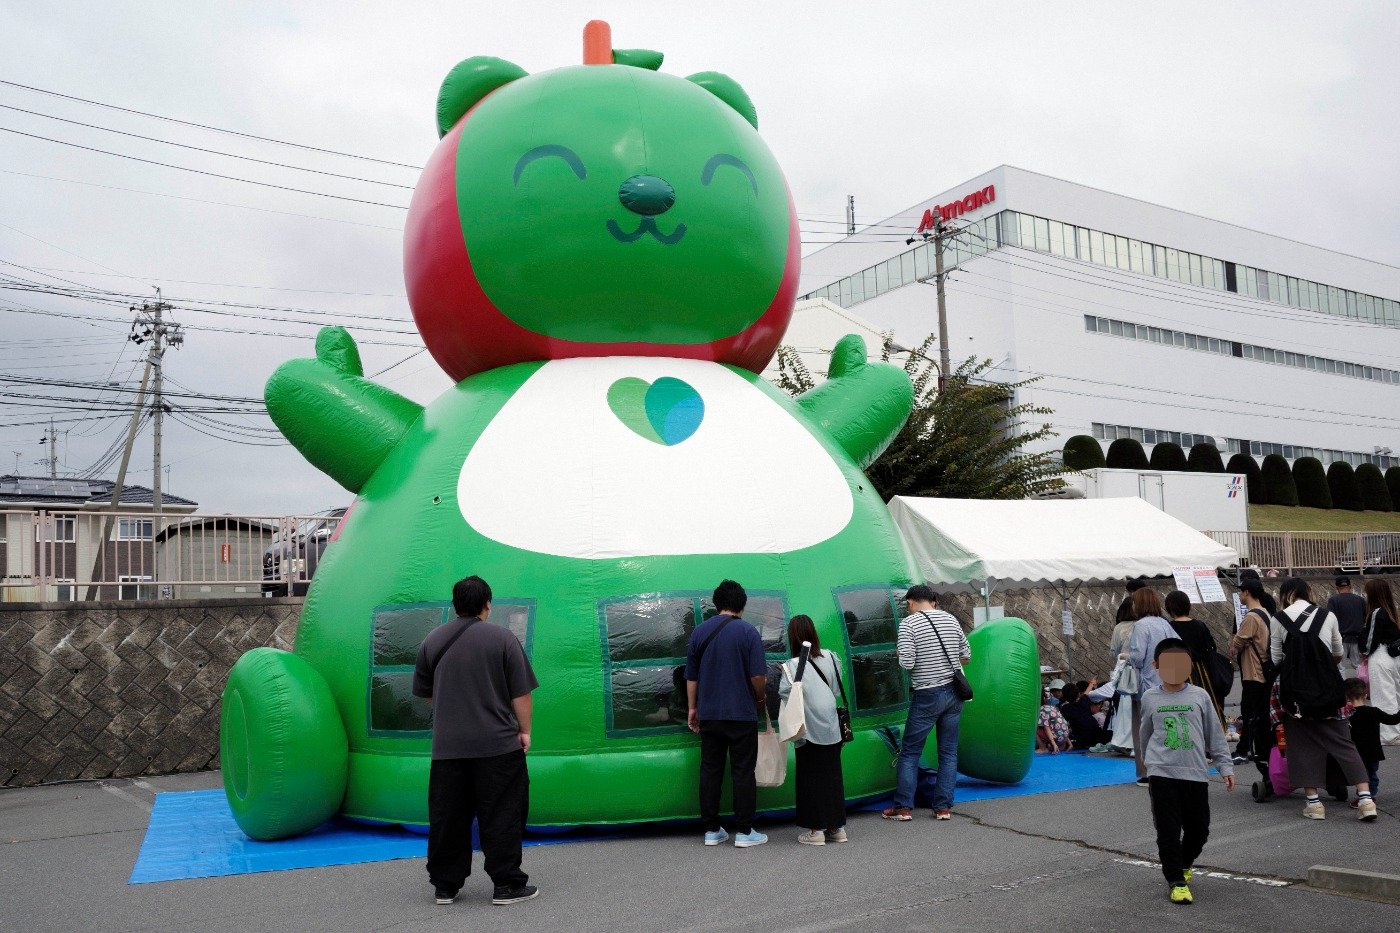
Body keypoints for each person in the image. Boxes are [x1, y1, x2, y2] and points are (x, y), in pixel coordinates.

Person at [412, 575, 539, 907]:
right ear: (488, 604)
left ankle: (445, 886)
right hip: (497, 746)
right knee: (502, 815)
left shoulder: (432, 641)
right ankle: (507, 885)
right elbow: (521, 694)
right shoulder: (503, 639)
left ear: (455, 605)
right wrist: (524, 731)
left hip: (447, 749)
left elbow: (428, 695)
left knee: (448, 817)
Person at [1270, 577, 1377, 821]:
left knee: (1302, 746)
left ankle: (1314, 804)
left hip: (1295, 695)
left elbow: (1276, 658)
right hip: (1328, 691)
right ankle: (1366, 799)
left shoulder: (1278, 619)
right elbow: (1338, 652)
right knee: (1344, 744)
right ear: (1308, 592)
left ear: (1285, 594)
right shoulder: (1327, 616)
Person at [1139, 638, 1235, 905]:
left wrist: (1224, 765)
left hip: (1194, 772)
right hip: (1162, 773)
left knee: (1199, 830)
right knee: (1168, 831)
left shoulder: (1199, 696)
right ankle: (1176, 881)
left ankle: (1183, 863)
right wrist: (1148, 763)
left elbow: (1214, 734)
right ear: (1156, 665)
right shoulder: (1150, 697)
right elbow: (1145, 733)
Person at [686, 579, 769, 848]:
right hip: (741, 714)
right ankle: (744, 832)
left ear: (716, 603)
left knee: (710, 770)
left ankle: (712, 830)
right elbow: (758, 675)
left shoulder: (698, 632)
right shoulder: (748, 633)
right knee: (743, 772)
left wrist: (692, 708)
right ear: (742, 605)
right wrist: (759, 698)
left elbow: (692, 678)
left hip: (709, 713)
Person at [883, 584, 970, 821]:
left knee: (910, 752)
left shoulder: (908, 624)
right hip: (954, 694)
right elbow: (966, 655)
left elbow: (908, 663)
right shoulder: (951, 620)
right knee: (949, 753)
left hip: (927, 695)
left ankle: (903, 807)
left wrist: (900, 654)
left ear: (910, 602)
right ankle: (943, 807)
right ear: (932, 600)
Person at [777, 615, 848, 846]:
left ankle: (816, 831)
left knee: (810, 779)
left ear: (792, 637)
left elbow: (785, 694)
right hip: (832, 726)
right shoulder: (831, 657)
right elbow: (836, 690)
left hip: (807, 729)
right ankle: (837, 829)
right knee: (832, 776)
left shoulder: (791, 665)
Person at [1128, 587, 1178, 785]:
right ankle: (1169, 767)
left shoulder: (1141, 625)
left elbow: (1138, 657)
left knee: (1143, 730)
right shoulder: (1165, 624)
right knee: (1167, 727)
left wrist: (1127, 656)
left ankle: (1147, 771)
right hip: (1167, 682)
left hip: (1146, 686)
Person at [1228, 580, 1275, 779]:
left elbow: (1236, 643)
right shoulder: (1266, 613)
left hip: (1253, 672)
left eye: (1240, 592)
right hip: (1264, 671)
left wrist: (1234, 646)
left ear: (1247, 592)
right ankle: (1256, 747)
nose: (1239, 595)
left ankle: (1245, 749)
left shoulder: (1252, 617)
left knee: (1249, 712)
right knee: (1259, 712)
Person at [1164, 590, 1226, 726]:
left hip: (1179, 671)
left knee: (1184, 702)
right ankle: (1212, 730)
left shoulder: (1169, 627)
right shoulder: (1199, 624)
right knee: (1206, 700)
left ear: (1170, 607)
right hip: (1203, 670)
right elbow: (1211, 646)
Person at [1343, 678, 1400, 804]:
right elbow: (1393, 720)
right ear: (1365, 694)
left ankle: (1363, 796)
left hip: (1355, 751)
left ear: (1346, 696)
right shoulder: (1373, 712)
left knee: (1360, 775)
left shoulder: (1347, 715)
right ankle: (1369, 796)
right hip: (1373, 750)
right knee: (1371, 774)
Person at [1362, 578, 1400, 746]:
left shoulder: (1377, 612)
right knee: (1396, 694)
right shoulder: (1392, 611)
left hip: (1381, 656)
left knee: (1384, 696)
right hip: (1395, 656)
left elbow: (1370, 641)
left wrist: (1363, 650)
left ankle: (1389, 734)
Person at [1327, 576, 1368, 676]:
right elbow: (1365, 618)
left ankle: (1342, 690)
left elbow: (1330, 619)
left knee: (1340, 668)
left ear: (1337, 587)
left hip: (1340, 638)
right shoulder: (1360, 600)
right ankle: (1361, 690)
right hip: (1357, 639)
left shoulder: (1333, 600)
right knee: (1359, 666)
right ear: (1350, 586)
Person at [1059, 683, 1111, 749]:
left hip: (1082, 738)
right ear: (1078, 693)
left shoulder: (1065, 709)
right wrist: (1092, 683)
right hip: (1097, 735)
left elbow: (1063, 724)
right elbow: (1087, 692)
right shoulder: (1084, 700)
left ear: (1064, 696)